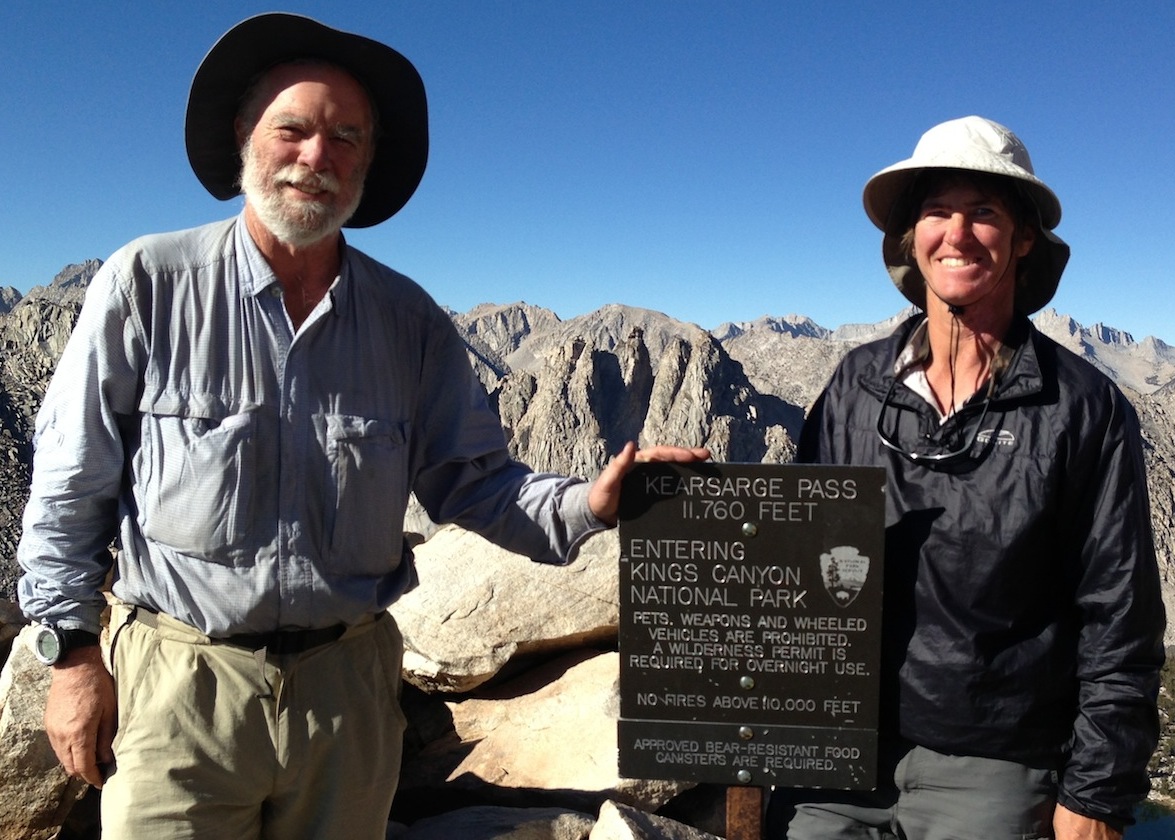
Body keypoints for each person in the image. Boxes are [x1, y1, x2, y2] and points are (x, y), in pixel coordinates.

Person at [17, 13, 708, 838]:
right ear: (245, 138)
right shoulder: (148, 287)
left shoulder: (407, 321)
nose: (318, 157)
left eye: (347, 137)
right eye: (294, 129)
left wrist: (591, 505)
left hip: (344, 697)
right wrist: (71, 657)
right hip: (179, 691)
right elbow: (69, 488)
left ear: (369, 164)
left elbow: (475, 483)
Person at [766, 116, 1165, 840]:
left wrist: (1099, 794)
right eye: (936, 212)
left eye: (984, 213)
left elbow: (1120, 613)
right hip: (836, 753)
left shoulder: (1082, 407)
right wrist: (680, 498)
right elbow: (797, 555)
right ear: (910, 240)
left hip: (995, 760)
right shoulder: (854, 386)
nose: (958, 232)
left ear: (1024, 240)